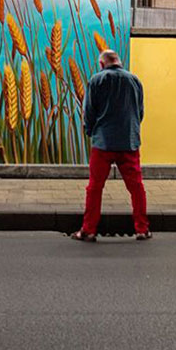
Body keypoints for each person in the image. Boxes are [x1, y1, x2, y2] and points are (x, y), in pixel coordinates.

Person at [72, 49, 151, 242]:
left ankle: (89, 230)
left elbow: (89, 111)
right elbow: (139, 112)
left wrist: (91, 131)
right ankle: (142, 229)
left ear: (102, 64)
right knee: (136, 187)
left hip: (103, 142)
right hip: (129, 142)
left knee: (95, 187)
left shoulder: (97, 80)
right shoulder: (135, 80)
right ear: (119, 62)